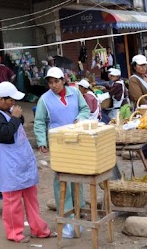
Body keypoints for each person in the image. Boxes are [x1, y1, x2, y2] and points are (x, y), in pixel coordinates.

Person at [0, 81, 54, 243]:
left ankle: (39, 229)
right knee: (12, 201)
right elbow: (5, 135)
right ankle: (15, 233)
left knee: (31, 197)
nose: (13, 103)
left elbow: (15, 126)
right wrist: (15, 117)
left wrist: (17, 117)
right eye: (10, 100)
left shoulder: (5, 111)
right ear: (0, 99)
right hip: (8, 165)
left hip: (22, 162)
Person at [34, 67, 90, 218]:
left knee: (77, 173)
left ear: (63, 81)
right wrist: (41, 141)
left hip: (76, 138)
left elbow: (85, 109)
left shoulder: (75, 93)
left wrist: (81, 118)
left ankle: (79, 207)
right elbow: (39, 122)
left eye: (56, 81)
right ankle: (65, 211)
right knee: (62, 176)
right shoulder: (44, 100)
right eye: (50, 82)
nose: (53, 85)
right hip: (58, 142)